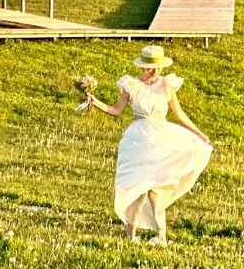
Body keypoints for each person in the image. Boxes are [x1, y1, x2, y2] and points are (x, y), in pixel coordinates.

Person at [80, 43, 212, 245]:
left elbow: (179, 113)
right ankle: (131, 236)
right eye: (151, 68)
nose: (155, 72)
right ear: (142, 67)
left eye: (158, 68)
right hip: (138, 140)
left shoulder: (167, 84)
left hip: (161, 139)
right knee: (135, 186)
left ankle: (161, 236)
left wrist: (199, 133)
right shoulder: (132, 84)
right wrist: (95, 102)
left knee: (155, 189)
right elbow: (117, 111)